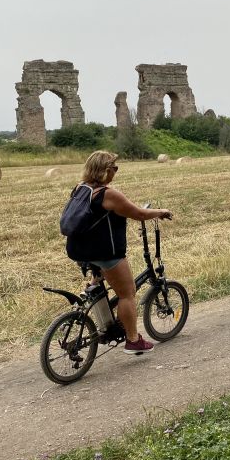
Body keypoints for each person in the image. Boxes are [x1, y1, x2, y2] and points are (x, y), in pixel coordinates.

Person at [65, 150, 172, 355]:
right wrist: (161, 212)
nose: (116, 171)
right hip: (104, 251)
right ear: (105, 171)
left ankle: (96, 300)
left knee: (103, 283)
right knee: (127, 293)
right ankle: (133, 340)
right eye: (114, 168)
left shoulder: (81, 188)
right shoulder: (108, 194)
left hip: (78, 249)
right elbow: (138, 213)